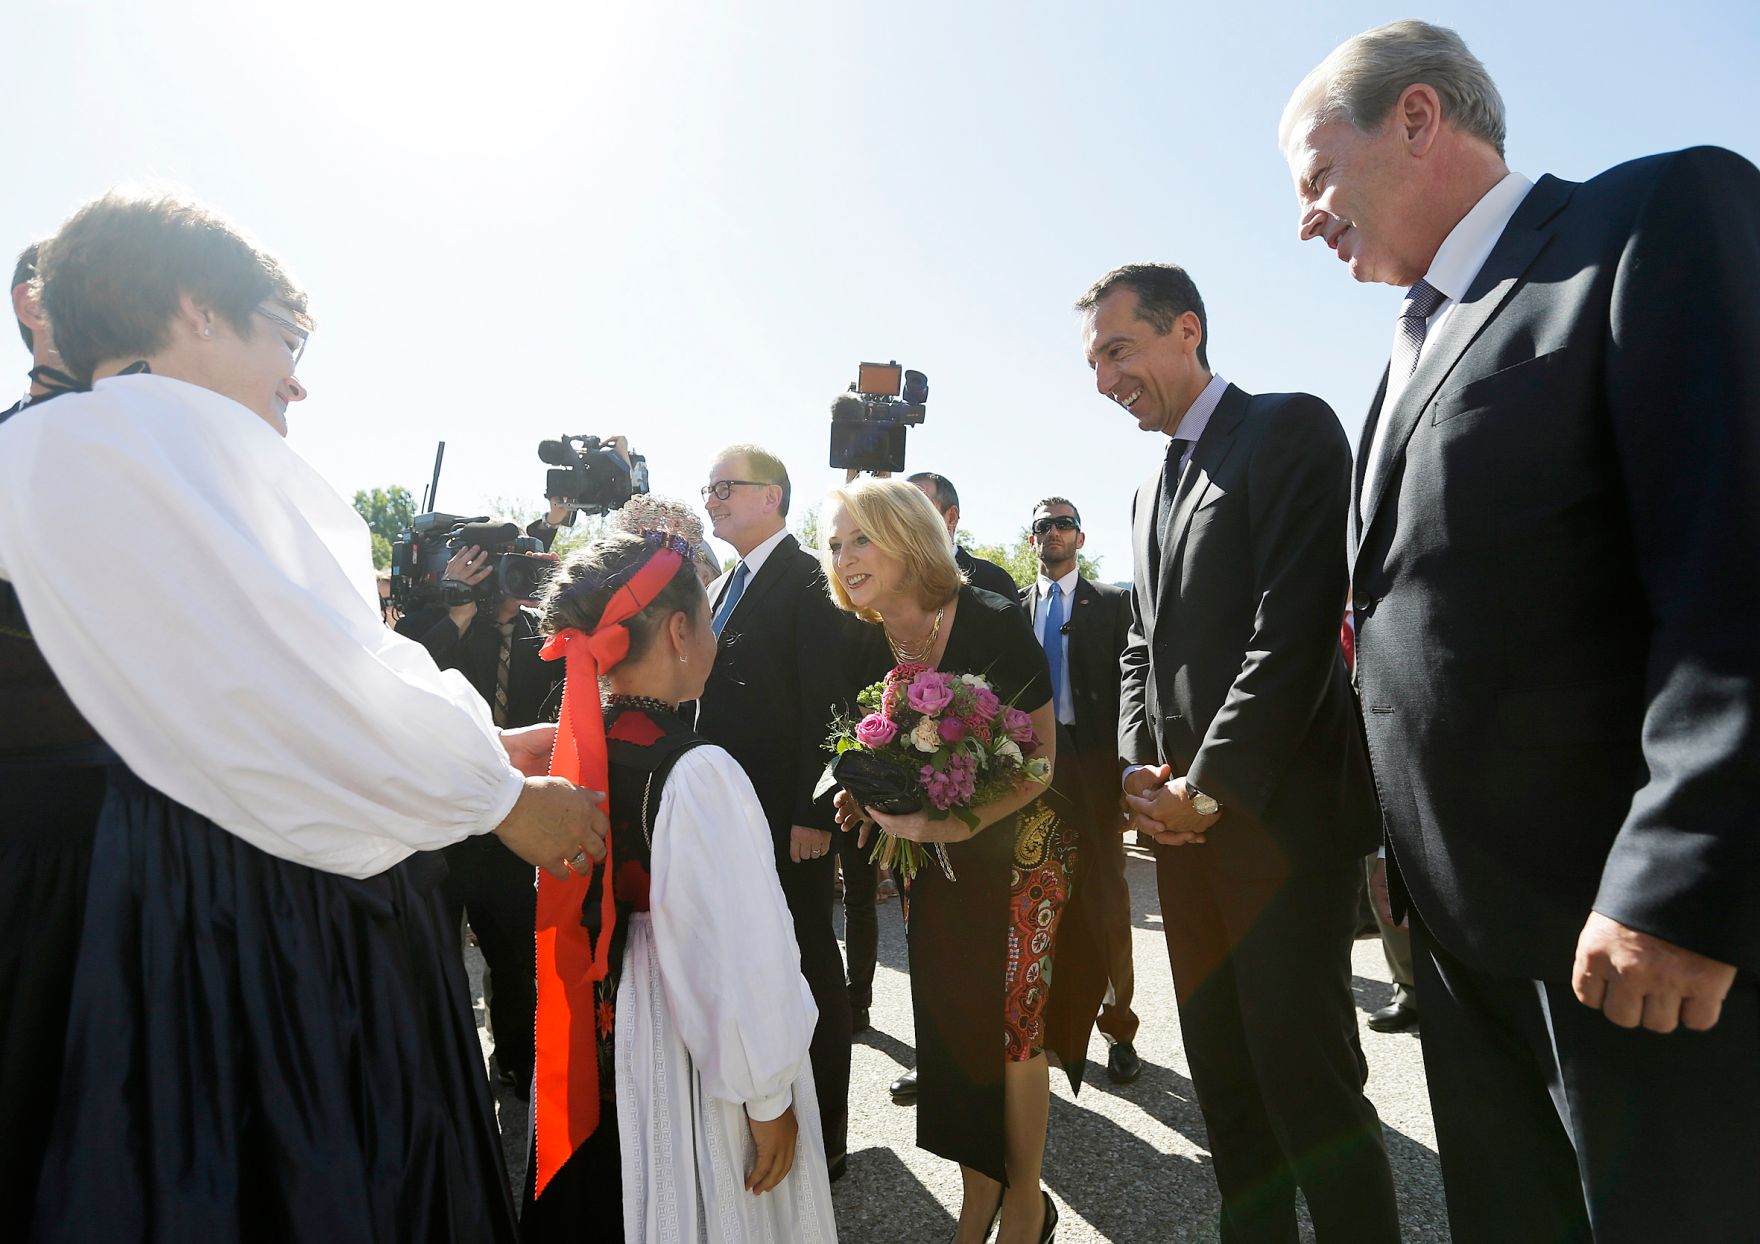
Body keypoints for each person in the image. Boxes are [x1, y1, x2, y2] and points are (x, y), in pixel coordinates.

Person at [0, 190, 606, 1241]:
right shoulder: (150, 440)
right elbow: (301, 684)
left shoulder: (57, 442)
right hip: (234, 922)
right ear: (195, 309)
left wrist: (453, 748)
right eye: (284, 335)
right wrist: (498, 794)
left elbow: (251, 688)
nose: (298, 375)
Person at [1282, 20, 1760, 1240]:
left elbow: (1732, 557)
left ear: (1416, 116)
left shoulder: (1651, 219)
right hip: (1458, 933)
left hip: (1622, 932)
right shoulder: (1403, 351)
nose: (1305, 217)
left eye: (1314, 174)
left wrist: (1680, 879)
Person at [1080, 262, 1398, 1242]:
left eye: (1117, 350)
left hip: (1277, 827)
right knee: (1224, 1082)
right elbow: (1140, 642)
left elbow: (1294, 626)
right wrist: (1138, 770)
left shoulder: (1287, 428)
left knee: (1308, 1087)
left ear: (1186, 329)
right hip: (1181, 838)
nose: (1102, 378)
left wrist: (1208, 788)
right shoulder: (1147, 488)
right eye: (1092, 360)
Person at [520, 526, 836, 1242]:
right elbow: (740, 952)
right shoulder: (697, 773)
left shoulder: (571, 744)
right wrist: (767, 1096)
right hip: (679, 1041)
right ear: (681, 630)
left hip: (595, 1019)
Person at [826, 477, 1081, 1244]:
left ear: (908, 536)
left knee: (1011, 1032)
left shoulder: (994, 620)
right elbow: (875, 749)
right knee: (950, 1030)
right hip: (930, 865)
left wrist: (954, 828)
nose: (845, 557)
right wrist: (867, 797)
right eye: (835, 545)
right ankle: (979, 1199)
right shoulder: (861, 636)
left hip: (1022, 854)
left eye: (860, 538)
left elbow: (1040, 767)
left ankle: (1026, 1204)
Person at [694, 443, 852, 1177]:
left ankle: (830, 1138)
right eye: (708, 487)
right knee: (756, 964)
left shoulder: (809, 580)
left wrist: (814, 813)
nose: (712, 499)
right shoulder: (725, 583)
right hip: (732, 818)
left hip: (790, 822)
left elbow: (831, 705)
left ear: (773, 498)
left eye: (727, 486)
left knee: (810, 964)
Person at [0, 240, 102, 1230]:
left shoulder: (155, 452)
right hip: (38, 852)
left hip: (143, 851)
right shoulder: (20, 449)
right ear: (34, 302)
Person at [397, 526, 568, 1101]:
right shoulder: (424, 625)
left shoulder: (540, 632)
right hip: (437, 825)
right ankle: (441, 1069)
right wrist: (459, 610)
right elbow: (407, 686)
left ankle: (518, 1061)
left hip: (509, 822)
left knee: (517, 956)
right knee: (434, 955)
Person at [1021, 496, 1142, 1082]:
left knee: (1107, 902)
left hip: (1094, 771)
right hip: (1033, 775)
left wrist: (1128, 773)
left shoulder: (1115, 604)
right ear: (1031, 539)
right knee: (1039, 902)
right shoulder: (1014, 609)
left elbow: (1135, 692)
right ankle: (1046, 1029)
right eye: (1042, 525)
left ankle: (1119, 1027)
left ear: (1081, 537)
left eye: (1063, 524)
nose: (1053, 533)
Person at [908, 471, 1020, 600]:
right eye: (899, 509)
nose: (906, 518)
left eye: (919, 508)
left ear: (951, 518)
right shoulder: (886, 582)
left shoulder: (993, 581)